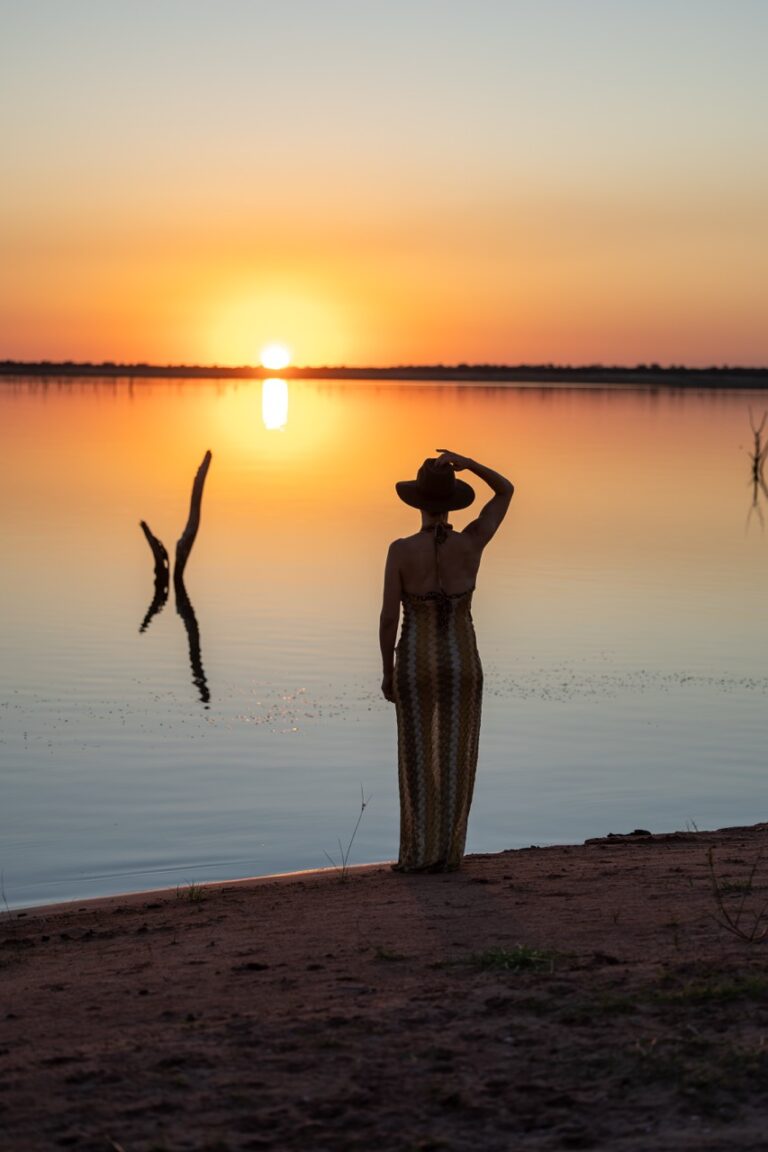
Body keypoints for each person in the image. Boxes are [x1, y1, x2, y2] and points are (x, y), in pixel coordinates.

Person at [380, 449, 514, 872]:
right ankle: (449, 854)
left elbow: (388, 617)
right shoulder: (472, 542)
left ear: (419, 502)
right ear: (453, 501)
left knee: (418, 757)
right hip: (462, 662)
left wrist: (387, 671)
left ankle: (419, 854)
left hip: (417, 660)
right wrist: (470, 463)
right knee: (456, 757)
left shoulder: (401, 550)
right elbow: (506, 490)